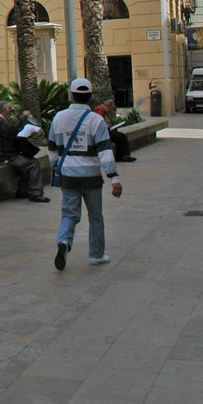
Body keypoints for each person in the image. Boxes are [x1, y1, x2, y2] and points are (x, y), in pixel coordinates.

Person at [49, 78, 123, 270]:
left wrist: (56, 167)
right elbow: (105, 152)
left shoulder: (58, 118)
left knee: (69, 214)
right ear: (90, 96)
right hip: (91, 176)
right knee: (95, 216)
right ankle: (96, 254)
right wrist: (113, 177)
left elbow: (51, 149)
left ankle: (64, 241)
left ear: (72, 95)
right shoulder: (96, 120)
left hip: (68, 175)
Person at [0, 101, 49, 201]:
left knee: (27, 162)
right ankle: (36, 193)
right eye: (10, 111)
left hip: (4, 154)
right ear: (4, 110)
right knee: (33, 163)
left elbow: (10, 132)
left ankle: (23, 191)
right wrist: (23, 117)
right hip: (3, 156)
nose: (11, 113)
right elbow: (12, 129)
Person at [93, 97, 135, 162]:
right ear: (108, 106)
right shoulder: (100, 110)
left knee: (122, 136)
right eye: (112, 108)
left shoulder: (103, 110)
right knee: (120, 137)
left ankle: (123, 156)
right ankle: (123, 156)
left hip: (106, 130)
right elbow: (100, 123)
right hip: (103, 132)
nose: (112, 110)